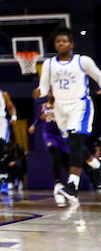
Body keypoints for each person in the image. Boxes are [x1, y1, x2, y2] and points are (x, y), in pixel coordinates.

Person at [34, 27, 101, 199]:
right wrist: (38, 92)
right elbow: (44, 87)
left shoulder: (82, 61)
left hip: (79, 105)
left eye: (64, 41)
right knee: (73, 143)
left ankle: (72, 185)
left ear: (71, 44)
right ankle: (96, 165)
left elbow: (99, 76)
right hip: (60, 108)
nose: (61, 44)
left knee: (74, 142)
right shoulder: (49, 63)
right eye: (58, 41)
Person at [29, 94, 71, 201]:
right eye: (49, 93)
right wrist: (34, 125)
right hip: (49, 134)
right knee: (55, 155)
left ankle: (72, 183)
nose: (51, 95)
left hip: (61, 134)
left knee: (65, 160)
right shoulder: (43, 106)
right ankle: (58, 182)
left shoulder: (62, 105)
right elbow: (39, 118)